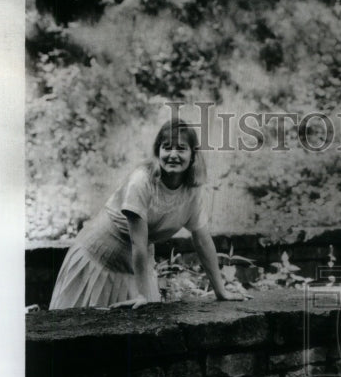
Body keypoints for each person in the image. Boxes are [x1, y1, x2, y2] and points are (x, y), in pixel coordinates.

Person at [48, 120, 247, 309]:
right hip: (97, 261)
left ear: (193, 155)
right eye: (167, 147)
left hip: (133, 270)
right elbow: (138, 244)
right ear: (157, 151)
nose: (173, 155)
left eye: (181, 148)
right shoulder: (142, 181)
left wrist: (220, 291)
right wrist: (143, 294)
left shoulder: (191, 191)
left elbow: (203, 242)